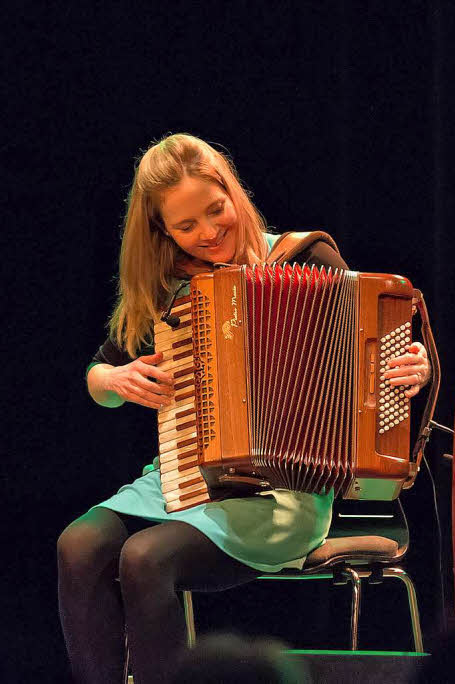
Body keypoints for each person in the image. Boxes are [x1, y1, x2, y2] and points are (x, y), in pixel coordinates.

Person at [57, 133, 432, 684]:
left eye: (216, 211)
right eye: (187, 226)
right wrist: (114, 378)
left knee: (144, 559)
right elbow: (99, 375)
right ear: (161, 230)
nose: (208, 233)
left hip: (284, 498)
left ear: (233, 192)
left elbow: (374, 346)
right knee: (78, 544)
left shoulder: (306, 258)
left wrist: (410, 366)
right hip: (181, 479)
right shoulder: (166, 287)